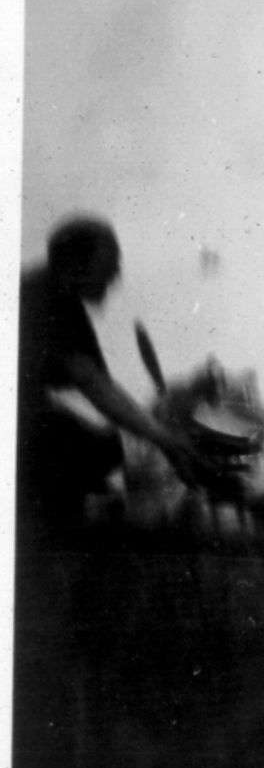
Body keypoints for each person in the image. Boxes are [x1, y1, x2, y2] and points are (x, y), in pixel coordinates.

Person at [14, 215, 217, 546]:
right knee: (72, 446)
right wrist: (164, 439)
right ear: (73, 263)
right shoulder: (37, 297)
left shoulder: (59, 302)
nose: (115, 275)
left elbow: (94, 381)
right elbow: (95, 386)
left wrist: (162, 438)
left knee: (92, 444)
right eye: (109, 265)